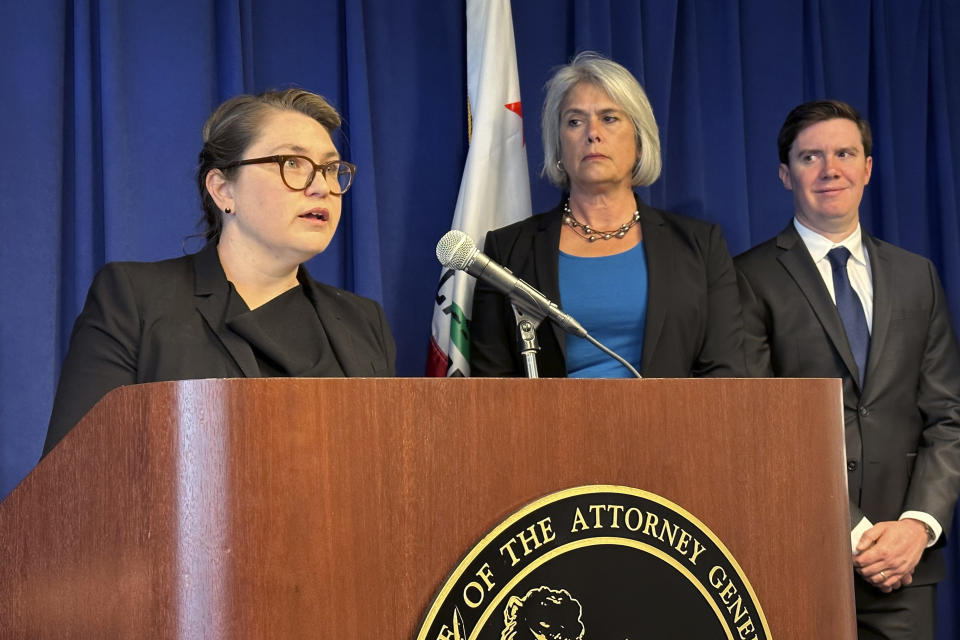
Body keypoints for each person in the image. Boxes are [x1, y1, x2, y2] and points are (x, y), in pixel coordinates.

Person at [43, 89, 396, 455]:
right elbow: (74, 476)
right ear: (223, 189)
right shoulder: (136, 299)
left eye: (331, 169)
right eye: (293, 163)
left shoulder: (363, 321)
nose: (323, 187)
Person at [734, 99, 960, 639]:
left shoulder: (917, 276)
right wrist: (853, 531)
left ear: (867, 168)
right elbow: (757, 423)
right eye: (811, 157)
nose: (830, 169)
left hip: (905, 567)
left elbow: (947, 418)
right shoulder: (747, 277)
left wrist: (916, 527)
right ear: (785, 174)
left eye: (844, 153)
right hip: (798, 554)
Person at [470, 52, 745, 378]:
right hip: (552, 429)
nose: (592, 133)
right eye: (574, 121)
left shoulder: (700, 246)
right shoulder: (508, 252)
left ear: (640, 142)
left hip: (673, 428)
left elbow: (725, 375)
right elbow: (491, 387)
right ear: (559, 147)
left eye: (609, 118)